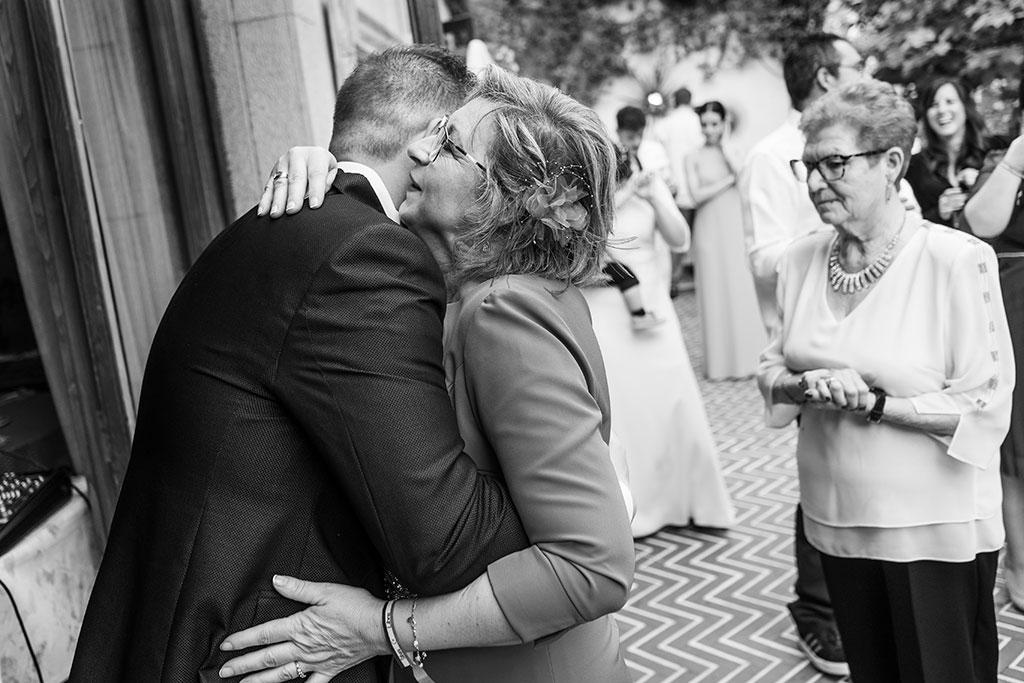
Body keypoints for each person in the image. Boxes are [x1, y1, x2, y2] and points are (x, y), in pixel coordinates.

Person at [67, 46, 542, 683]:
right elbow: (444, 540)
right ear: (433, 142)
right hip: (255, 648)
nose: (486, 176)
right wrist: (575, 504)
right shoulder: (368, 256)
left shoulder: (271, 226)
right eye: (472, 151)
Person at [215, 67, 635, 683]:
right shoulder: (475, 292)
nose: (417, 149)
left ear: (516, 197)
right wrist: (328, 174)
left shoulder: (501, 313)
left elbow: (592, 567)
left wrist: (380, 627)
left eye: (447, 145)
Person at [759, 78, 1014, 682]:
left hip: (931, 530)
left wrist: (875, 404)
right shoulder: (798, 259)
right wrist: (805, 386)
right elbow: (770, 370)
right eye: (810, 166)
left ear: (893, 163)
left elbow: (985, 406)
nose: (818, 182)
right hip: (838, 518)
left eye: (836, 164)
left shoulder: (956, 260)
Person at [738, 32, 867, 676]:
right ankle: (817, 613)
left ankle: (867, 594)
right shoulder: (772, 156)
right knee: (825, 469)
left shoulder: (868, 149)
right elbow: (764, 256)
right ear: (823, 77)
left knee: (870, 463)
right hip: (812, 333)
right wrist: (841, 231)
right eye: (856, 64)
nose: (866, 72)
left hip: (878, 327)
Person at [582, 143, 735, 538]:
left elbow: (680, 238)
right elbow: (588, 246)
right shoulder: (588, 202)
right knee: (626, 411)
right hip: (606, 319)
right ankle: (635, 507)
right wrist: (624, 194)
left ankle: (689, 501)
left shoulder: (650, 192)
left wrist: (654, 197)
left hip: (653, 315)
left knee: (671, 404)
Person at [963, 95, 1024, 614]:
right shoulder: (1003, 161)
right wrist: (1016, 161)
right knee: (1017, 449)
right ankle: (1021, 573)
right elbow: (980, 222)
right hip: (1017, 308)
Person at [685, 100, 766, 378]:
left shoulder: (736, 150)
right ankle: (719, 365)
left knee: (740, 288)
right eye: (705, 124)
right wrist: (727, 181)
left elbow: (746, 184)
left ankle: (749, 360)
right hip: (708, 229)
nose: (709, 130)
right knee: (714, 291)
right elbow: (696, 196)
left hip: (733, 226)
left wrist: (729, 156)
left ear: (724, 124)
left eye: (714, 124)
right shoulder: (692, 156)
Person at [905, 77, 990, 228]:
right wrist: (940, 213)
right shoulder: (914, 165)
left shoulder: (996, 150)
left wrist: (984, 181)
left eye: (949, 102)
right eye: (933, 105)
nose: (942, 110)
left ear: (965, 106)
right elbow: (909, 223)